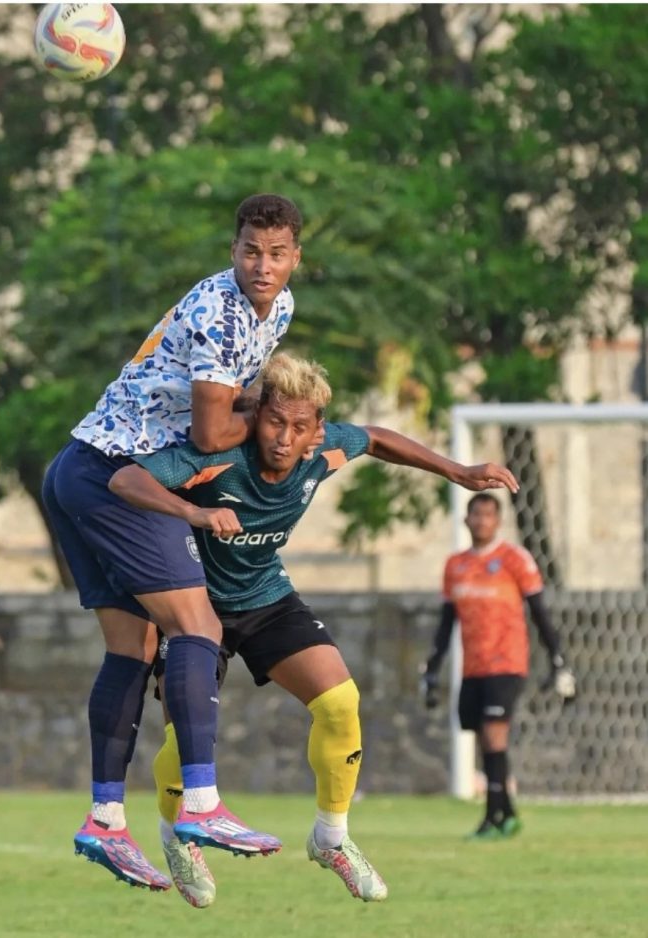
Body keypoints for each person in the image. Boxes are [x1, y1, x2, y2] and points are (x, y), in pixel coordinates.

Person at [108, 352, 519, 906]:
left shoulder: (324, 450)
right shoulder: (221, 456)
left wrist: (457, 471)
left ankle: (331, 837)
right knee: (186, 736)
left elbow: (374, 437)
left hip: (265, 598)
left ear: (316, 431)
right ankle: (176, 835)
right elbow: (126, 479)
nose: (284, 437)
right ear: (258, 419)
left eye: (299, 427)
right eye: (276, 421)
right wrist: (197, 515)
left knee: (340, 702)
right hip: (195, 605)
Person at [41, 194, 303, 889]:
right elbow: (212, 434)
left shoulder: (279, 309)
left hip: (77, 468)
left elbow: (229, 411)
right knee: (198, 627)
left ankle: (104, 818)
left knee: (135, 646)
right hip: (116, 477)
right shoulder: (220, 313)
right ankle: (204, 805)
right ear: (233, 248)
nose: (262, 265)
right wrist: (269, 417)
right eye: (251, 249)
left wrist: (253, 409)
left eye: (276, 253)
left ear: (295, 256)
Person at [420, 492, 577, 841]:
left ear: (498, 521)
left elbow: (540, 613)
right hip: (472, 666)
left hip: (506, 661)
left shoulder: (514, 559)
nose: (482, 521)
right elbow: (447, 623)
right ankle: (508, 814)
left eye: (489, 515)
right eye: (476, 515)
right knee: (483, 739)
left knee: (494, 734)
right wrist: (432, 667)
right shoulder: (455, 565)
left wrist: (558, 659)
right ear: (466, 519)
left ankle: (492, 818)